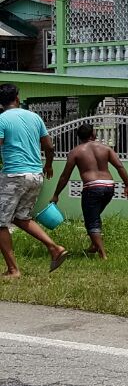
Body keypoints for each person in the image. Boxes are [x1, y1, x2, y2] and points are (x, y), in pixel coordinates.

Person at [0, 83, 68, 277]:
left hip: (15, 175)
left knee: (0, 223)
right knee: (21, 218)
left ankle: (13, 269)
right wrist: (48, 165)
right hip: (36, 175)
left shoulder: (2, 120)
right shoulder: (34, 117)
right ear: (17, 98)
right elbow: (49, 146)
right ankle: (55, 248)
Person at [52, 124, 128, 259]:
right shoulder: (106, 148)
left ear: (79, 137)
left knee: (91, 220)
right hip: (109, 187)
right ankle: (94, 245)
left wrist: (56, 194)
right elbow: (119, 166)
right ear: (93, 135)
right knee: (94, 216)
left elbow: (65, 176)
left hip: (92, 187)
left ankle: (102, 254)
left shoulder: (75, 152)